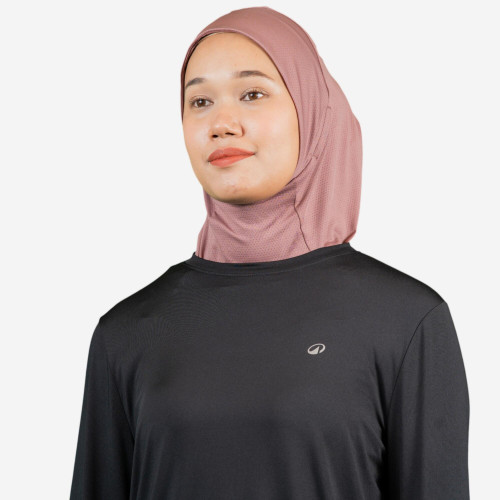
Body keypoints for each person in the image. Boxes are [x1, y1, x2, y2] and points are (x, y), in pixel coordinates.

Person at [70, 7, 470, 499]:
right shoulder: (126, 332)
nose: (221, 124)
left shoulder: (405, 321)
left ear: (311, 110)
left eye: (252, 94)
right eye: (199, 101)